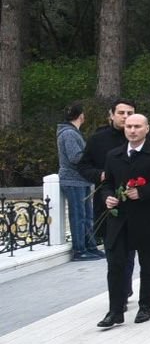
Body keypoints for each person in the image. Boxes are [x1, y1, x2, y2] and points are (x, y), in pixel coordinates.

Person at [95, 113, 150, 327]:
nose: (132, 130)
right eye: (129, 126)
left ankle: (145, 306)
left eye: (137, 126)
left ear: (147, 129)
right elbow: (107, 183)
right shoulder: (114, 155)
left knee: (148, 265)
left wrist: (144, 192)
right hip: (119, 220)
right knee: (115, 265)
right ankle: (115, 310)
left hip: (146, 218)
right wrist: (107, 197)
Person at [56, 104, 101, 261]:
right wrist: (93, 157)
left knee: (87, 215)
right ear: (81, 116)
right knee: (79, 216)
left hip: (82, 180)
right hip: (72, 179)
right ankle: (79, 250)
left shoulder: (73, 133)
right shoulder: (68, 133)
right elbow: (75, 157)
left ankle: (90, 246)